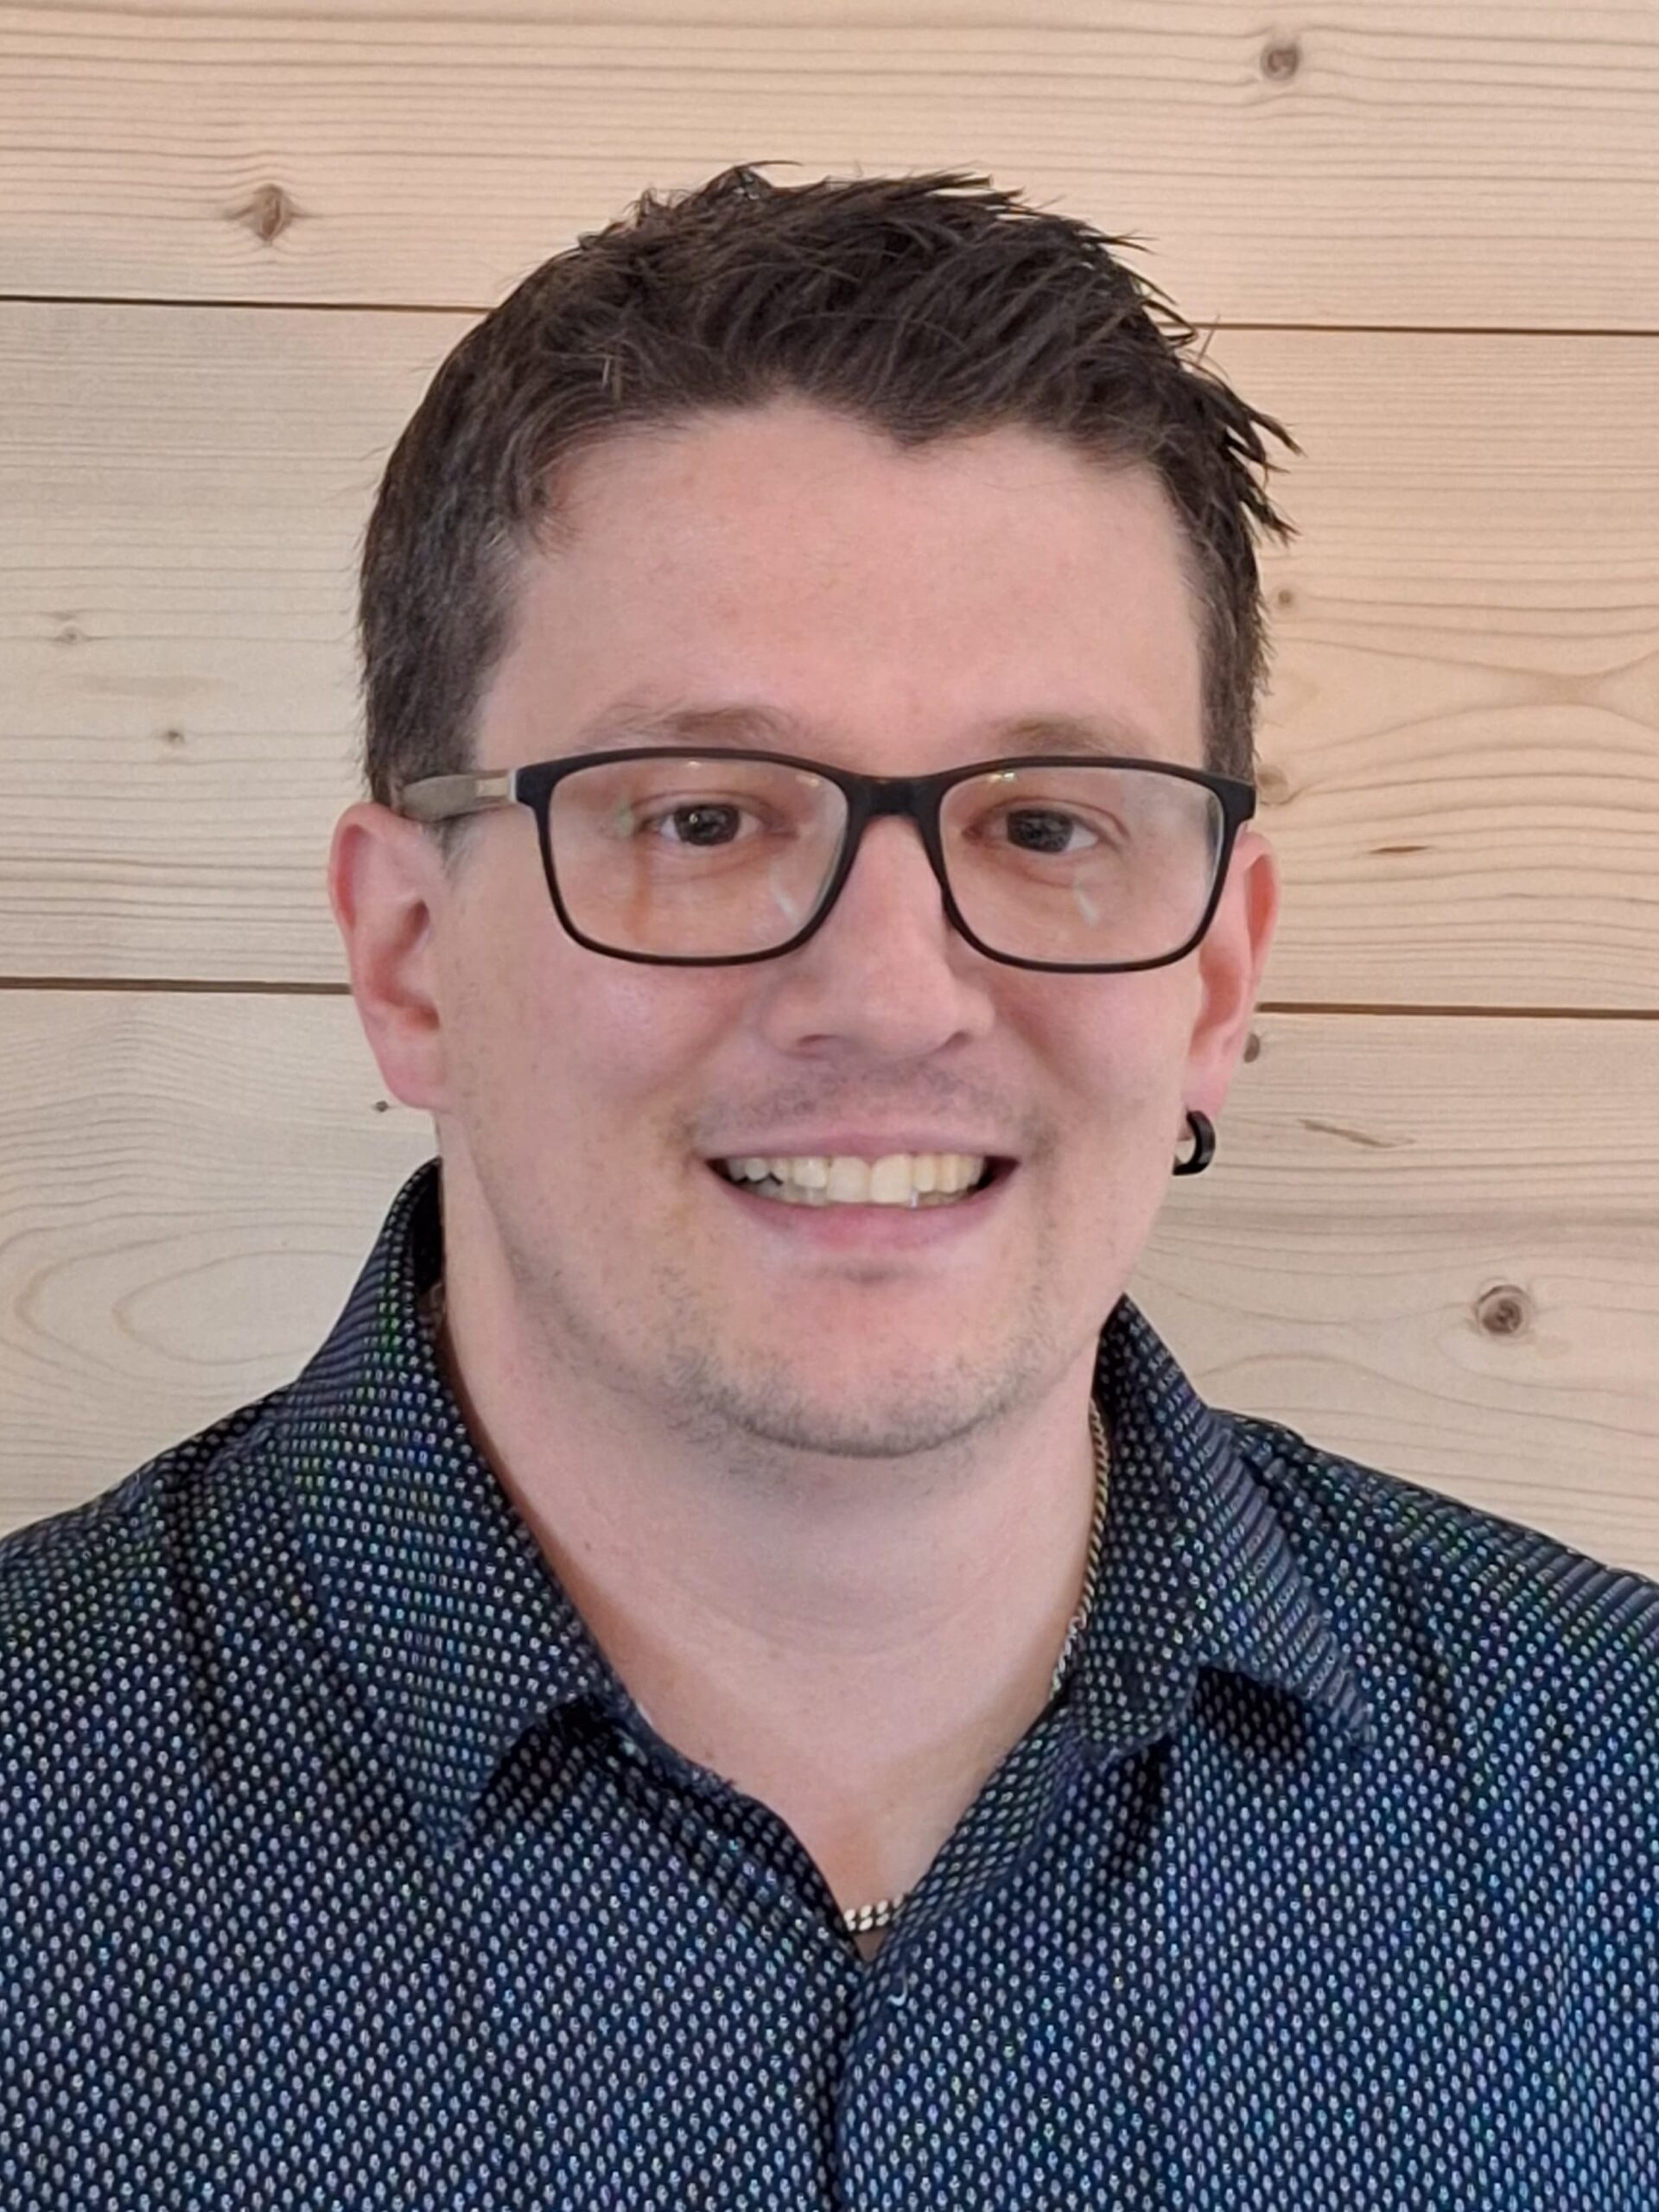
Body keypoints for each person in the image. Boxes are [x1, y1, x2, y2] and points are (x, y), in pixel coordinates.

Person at [3, 165, 1654, 2209]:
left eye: (1046, 824)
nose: (890, 989)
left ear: (1217, 982)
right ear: (410, 957)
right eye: (703, 816)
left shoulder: (1618, 1796)